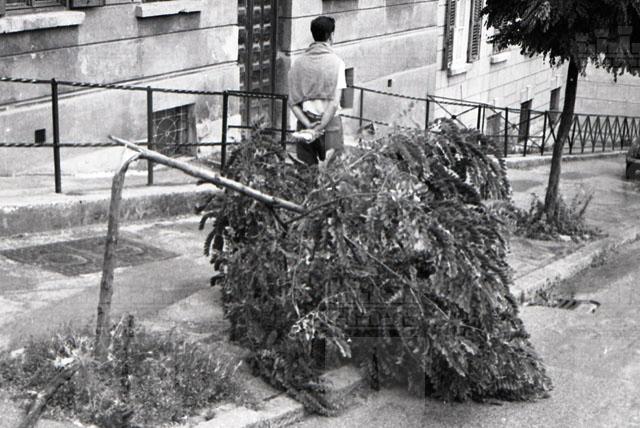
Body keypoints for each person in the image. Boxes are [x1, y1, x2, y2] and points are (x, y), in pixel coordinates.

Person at [288, 16, 346, 165]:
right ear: (330, 36)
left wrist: (309, 126)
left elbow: (292, 102)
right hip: (331, 125)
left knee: (306, 172)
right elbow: (334, 103)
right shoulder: (337, 63)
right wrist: (320, 127)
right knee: (333, 173)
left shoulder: (298, 63)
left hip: (305, 124)